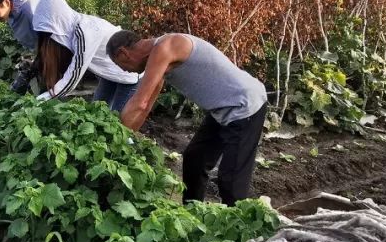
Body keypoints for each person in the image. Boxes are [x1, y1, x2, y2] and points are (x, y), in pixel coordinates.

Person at [106, 30, 268, 205]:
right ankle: (192, 212)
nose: (125, 71)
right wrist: (127, 137)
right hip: (222, 108)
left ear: (123, 53)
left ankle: (240, 228)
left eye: (120, 66)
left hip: (245, 105)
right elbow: (145, 107)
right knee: (195, 159)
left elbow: (140, 102)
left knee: (231, 181)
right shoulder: (158, 58)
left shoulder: (164, 47)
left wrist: (115, 140)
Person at [32, 0, 140, 111]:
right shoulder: (74, 30)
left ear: (58, 21)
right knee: (96, 112)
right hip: (109, 74)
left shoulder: (84, 32)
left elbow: (73, 77)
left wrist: (40, 100)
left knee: (119, 120)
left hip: (129, 75)